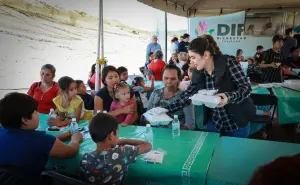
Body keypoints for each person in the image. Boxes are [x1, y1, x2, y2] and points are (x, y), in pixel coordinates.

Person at [163, 35, 255, 137]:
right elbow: (187, 95)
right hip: (215, 123)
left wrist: (228, 97)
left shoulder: (229, 63)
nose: (191, 61)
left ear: (206, 55)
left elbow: (246, 88)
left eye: (193, 57)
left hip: (237, 122)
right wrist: (165, 109)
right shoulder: (199, 73)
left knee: (235, 152)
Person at [0, 93, 82, 184]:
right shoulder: (40, 140)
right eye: (35, 112)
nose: (39, 114)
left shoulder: (2, 132)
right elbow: (70, 152)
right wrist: (75, 138)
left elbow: (41, 142)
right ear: (25, 120)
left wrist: (64, 135)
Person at [80, 113, 151, 185]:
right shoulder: (122, 153)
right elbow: (148, 145)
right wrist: (124, 140)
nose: (118, 137)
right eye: (117, 134)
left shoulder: (85, 158)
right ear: (111, 135)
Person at [148, 65, 195, 130]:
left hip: (176, 135)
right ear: (162, 78)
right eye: (166, 78)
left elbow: (190, 124)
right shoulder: (155, 93)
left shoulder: (185, 96)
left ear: (178, 79)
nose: (169, 82)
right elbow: (148, 115)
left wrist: (174, 130)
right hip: (155, 133)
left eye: (173, 79)